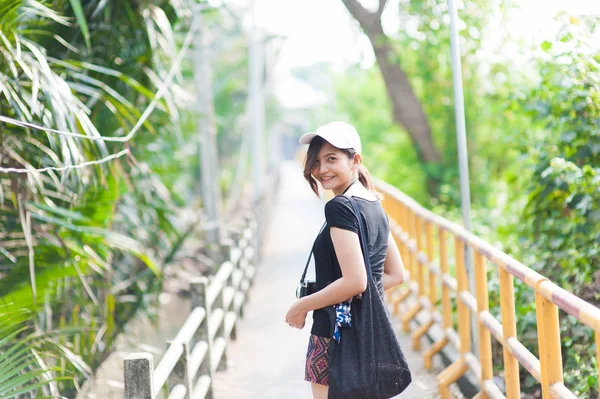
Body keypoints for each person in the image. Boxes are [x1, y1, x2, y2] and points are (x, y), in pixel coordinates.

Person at [285, 121, 407, 399]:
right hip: (369, 330)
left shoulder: (339, 207)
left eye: (332, 159)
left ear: (356, 160)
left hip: (334, 332)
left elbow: (355, 280)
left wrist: (301, 306)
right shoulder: (374, 203)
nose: (321, 170)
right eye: (316, 161)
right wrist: (358, 301)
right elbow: (395, 275)